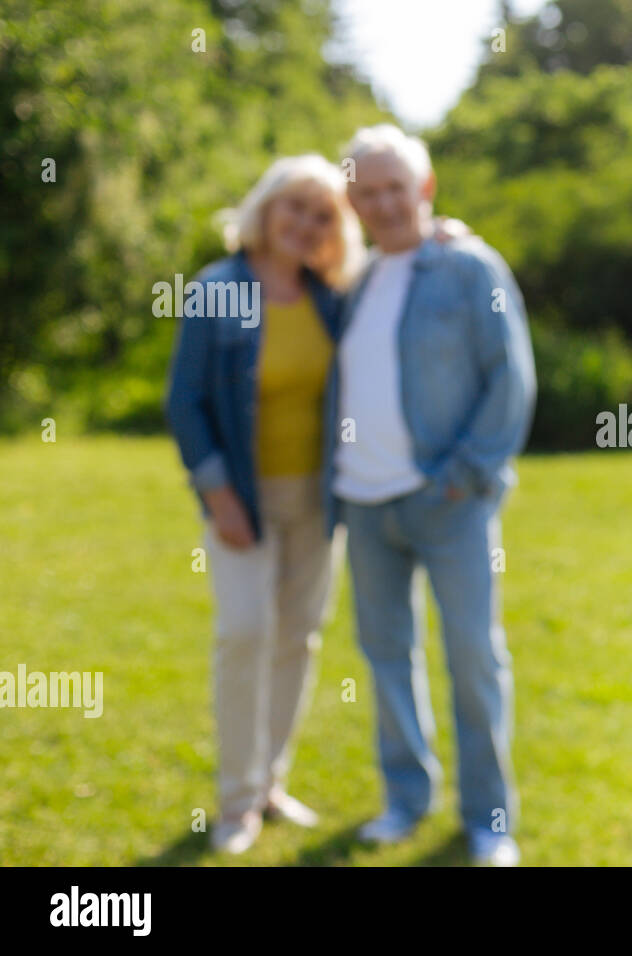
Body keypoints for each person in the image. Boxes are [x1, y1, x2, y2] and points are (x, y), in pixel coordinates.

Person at [325, 124, 536, 866]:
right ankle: (406, 800)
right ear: (352, 199)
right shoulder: (350, 281)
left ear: (425, 187)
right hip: (365, 502)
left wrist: (466, 475)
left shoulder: (470, 269)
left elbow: (510, 380)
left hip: (449, 501)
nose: (383, 203)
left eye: (395, 187)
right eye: (367, 190)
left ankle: (490, 821)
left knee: (474, 657)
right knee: (386, 658)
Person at [165, 154, 365, 854]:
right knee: (245, 631)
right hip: (240, 497)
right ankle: (235, 801)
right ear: (266, 209)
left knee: (299, 636)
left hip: (317, 499)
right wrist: (218, 497)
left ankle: (271, 782)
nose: (305, 224)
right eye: (294, 208)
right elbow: (184, 402)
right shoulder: (218, 288)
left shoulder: (330, 296)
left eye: (321, 214)